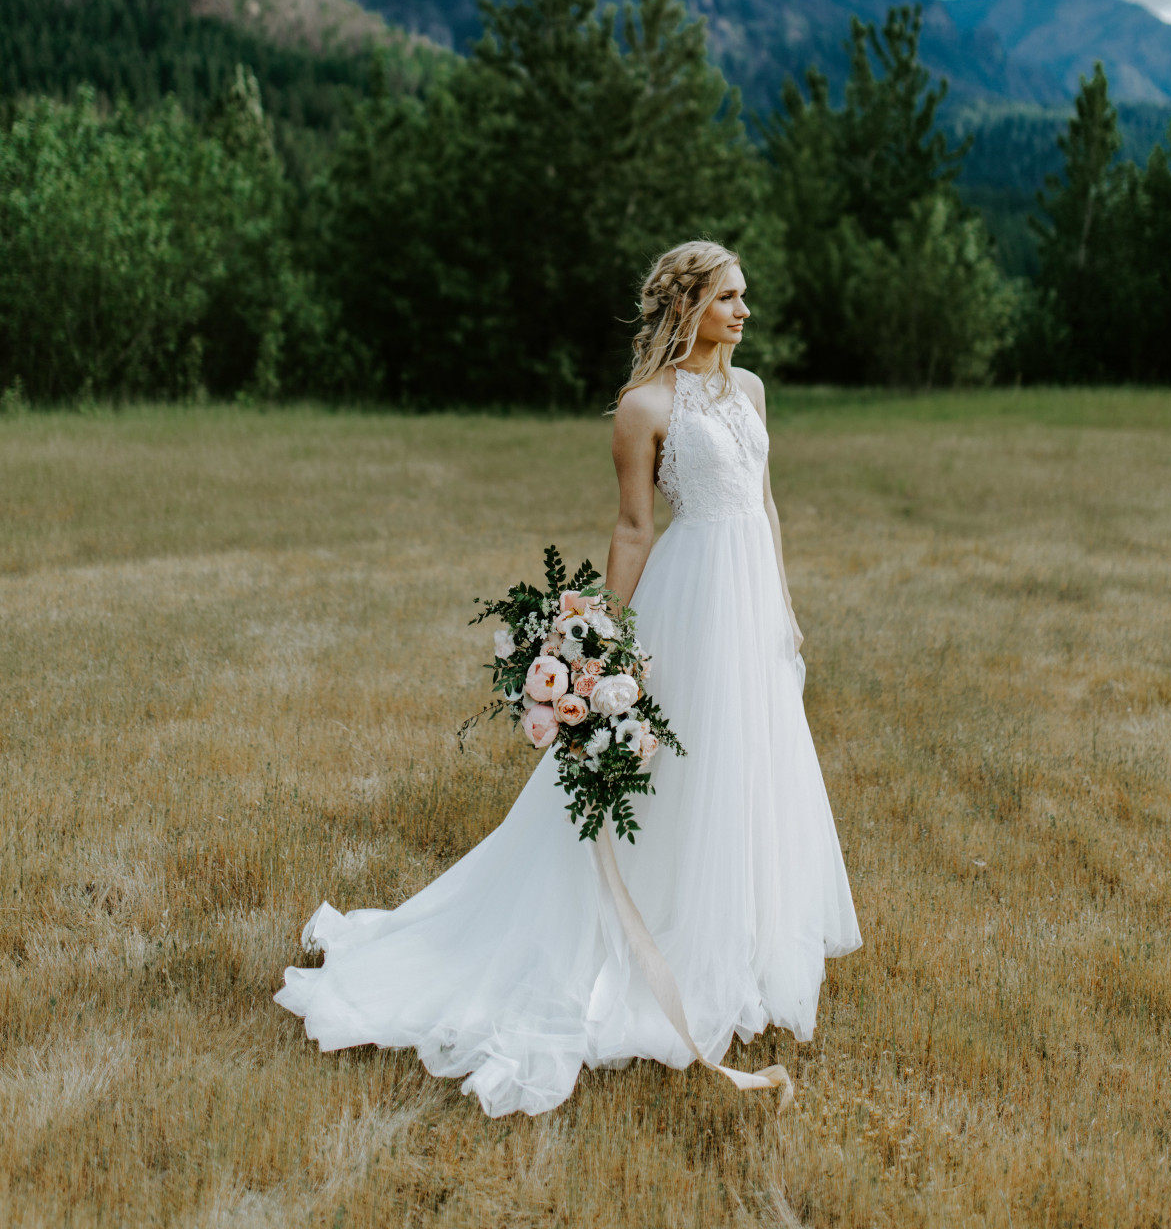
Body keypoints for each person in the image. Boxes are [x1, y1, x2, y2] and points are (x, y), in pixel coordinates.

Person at [275, 239, 861, 1116]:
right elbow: (633, 529)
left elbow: (766, 503)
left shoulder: (750, 390)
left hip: (750, 606)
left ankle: (736, 949)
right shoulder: (643, 407)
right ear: (688, 304)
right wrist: (597, 644)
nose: (745, 313)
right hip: (692, 600)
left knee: (753, 769)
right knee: (675, 771)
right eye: (730, 298)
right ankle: (655, 943)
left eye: (746, 297)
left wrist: (783, 603)